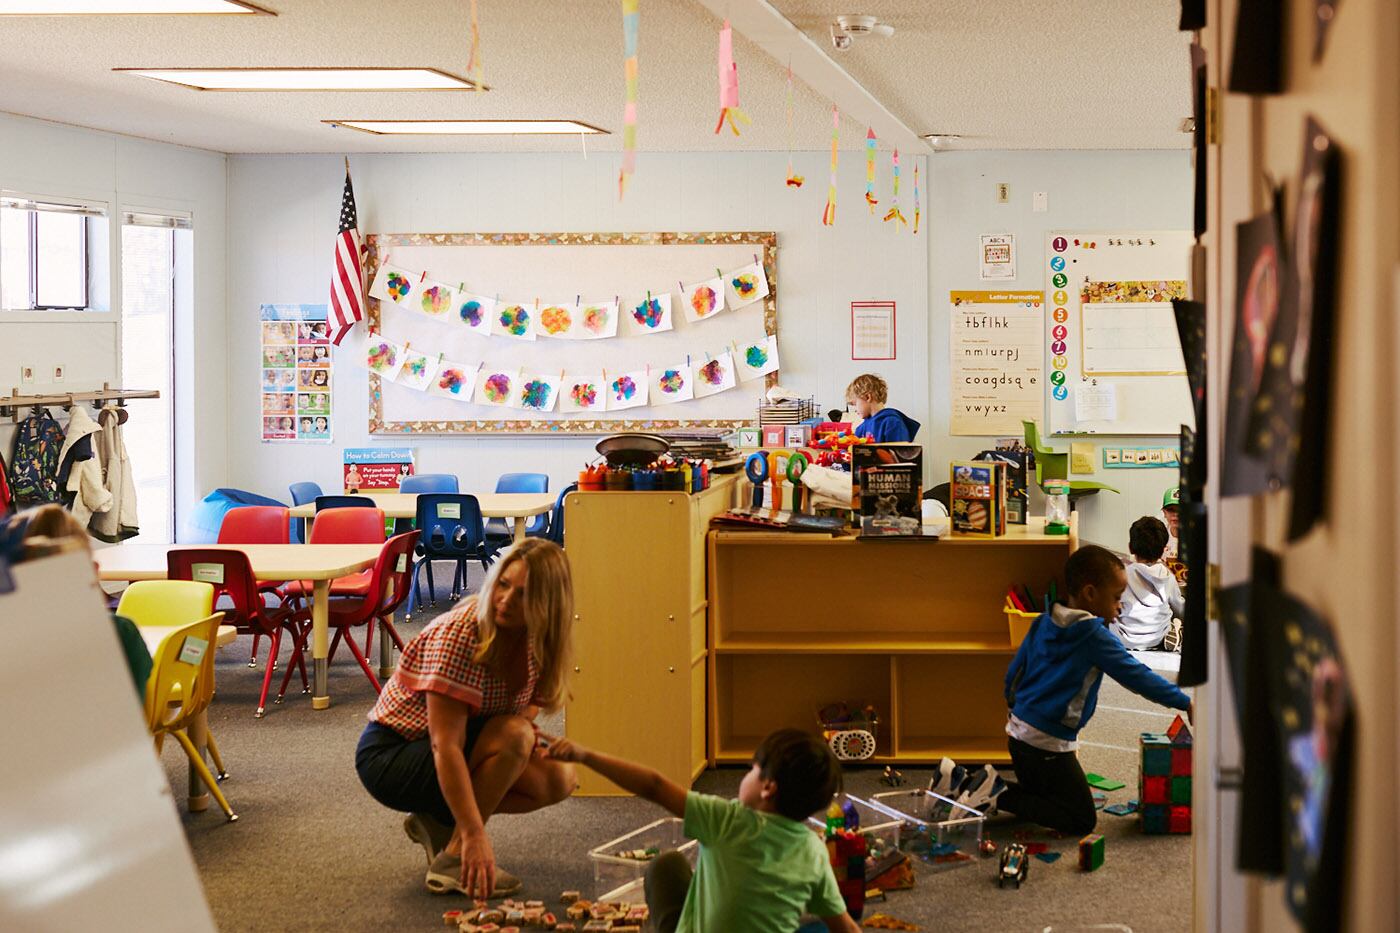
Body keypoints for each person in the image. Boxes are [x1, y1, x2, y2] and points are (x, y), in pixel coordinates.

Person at [355, 539, 576, 899]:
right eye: (503, 585)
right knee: (516, 738)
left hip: (451, 745)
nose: (505, 601)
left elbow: (530, 704)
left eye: (523, 595)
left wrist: (521, 738)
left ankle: (438, 822)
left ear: (548, 604)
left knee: (559, 778)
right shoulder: (461, 632)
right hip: (392, 753)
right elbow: (446, 745)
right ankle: (456, 856)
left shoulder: (540, 637)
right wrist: (475, 834)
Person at [544, 728, 859, 933]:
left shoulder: (727, 820)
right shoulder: (815, 850)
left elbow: (653, 785)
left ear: (768, 787)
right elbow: (844, 926)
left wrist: (584, 755)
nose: (746, 775)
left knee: (666, 866)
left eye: (752, 769)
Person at [998, 545, 1192, 835]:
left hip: (1017, 734)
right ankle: (990, 790)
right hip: (1047, 745)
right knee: (1080, 820)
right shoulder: (1095, 637)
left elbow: (1013, 674)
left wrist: (1017, 709)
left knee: (1043, 801)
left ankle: (982, 785)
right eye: (1116, 598)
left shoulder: (1043, 620)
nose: (1121, 607)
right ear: (1090, 594)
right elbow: (1138, 676)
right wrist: (1184, 702)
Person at [1112, 516, 1184, 651]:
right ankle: (1173, 631)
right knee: (1171, 615)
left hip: (1124, 639)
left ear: (1130, 548)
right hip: (1157, 636)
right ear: (1163, 550)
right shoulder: (1168, 577)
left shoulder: (1122, 575)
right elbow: (1179, 609)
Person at [845, 374, 919, 443]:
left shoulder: (893, 423)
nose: (855, 409)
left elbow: (900, 453)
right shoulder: (861, 428)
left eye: (855, 404)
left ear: (868, 397)